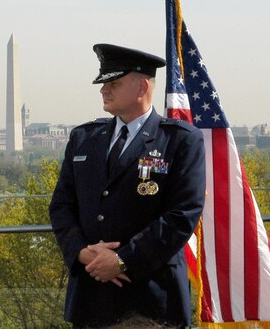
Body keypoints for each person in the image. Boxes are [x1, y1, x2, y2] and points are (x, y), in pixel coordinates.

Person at [49, 43, 206, 328]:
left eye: (114, 83)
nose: (103, 90)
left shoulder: (179, 140)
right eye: (104, 83)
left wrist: (122, 260)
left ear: (141, 87)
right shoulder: (85, 138)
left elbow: (182, 215)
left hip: (151, 296)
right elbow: (61, 206)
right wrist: (82, 252)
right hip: (93, 293)